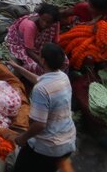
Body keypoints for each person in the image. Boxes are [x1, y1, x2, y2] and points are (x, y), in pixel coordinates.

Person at [7, 43, 76, 172]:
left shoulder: (41, 89)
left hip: (48, 147)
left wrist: (23, 138)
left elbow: (39, 125)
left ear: (43, 60)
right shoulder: (63, 77)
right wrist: (17, 67)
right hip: (67, 141)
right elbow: (39, 80)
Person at [5, 4, 62, 75]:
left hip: (40, 47)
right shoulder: (30, 26)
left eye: (48, 23)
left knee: (64, 62)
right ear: (39, 16)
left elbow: (55, 42)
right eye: (43, 20)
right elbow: (29, 50)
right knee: (37, 68)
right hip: (23, 46)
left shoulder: (55, 23)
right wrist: (44, 64)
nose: (44, 24)